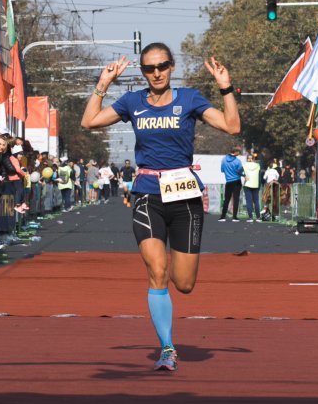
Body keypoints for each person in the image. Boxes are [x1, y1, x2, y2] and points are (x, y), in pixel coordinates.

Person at [81, 42, 239, 373]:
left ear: (172, 67)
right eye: (149, 68)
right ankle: (167, 348)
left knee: (183, 283)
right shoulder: (133, 102)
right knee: (157, 271)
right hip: (148, 195)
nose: (156, 73)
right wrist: (103, 85)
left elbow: (231, 126)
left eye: (162, 66)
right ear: (143, 72)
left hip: (184, 198)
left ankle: (169, 336)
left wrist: (225, 88)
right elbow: (90, 121)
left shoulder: (190, 99)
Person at [219, 147, 244, 221]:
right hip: (237, 181)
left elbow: (222, 170)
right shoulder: (238, 161)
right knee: (236, 199)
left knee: (226, 199)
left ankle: (223, 217)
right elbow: (240, 171)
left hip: (228, 181)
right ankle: (234, 217)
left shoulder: (224, 159)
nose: (239, 154)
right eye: (238, 152)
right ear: (235, 152)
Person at [242, 153, 261, 221]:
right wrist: (259, 185)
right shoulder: (258, 165)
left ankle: (250, 217)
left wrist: (244, 176)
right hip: (255, 185)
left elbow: (238, 171)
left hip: (247, 184)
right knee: (256, 201)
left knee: (249, 201)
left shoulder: (244, 165)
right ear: (254, 159)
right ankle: (258, 217)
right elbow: (259, 176)